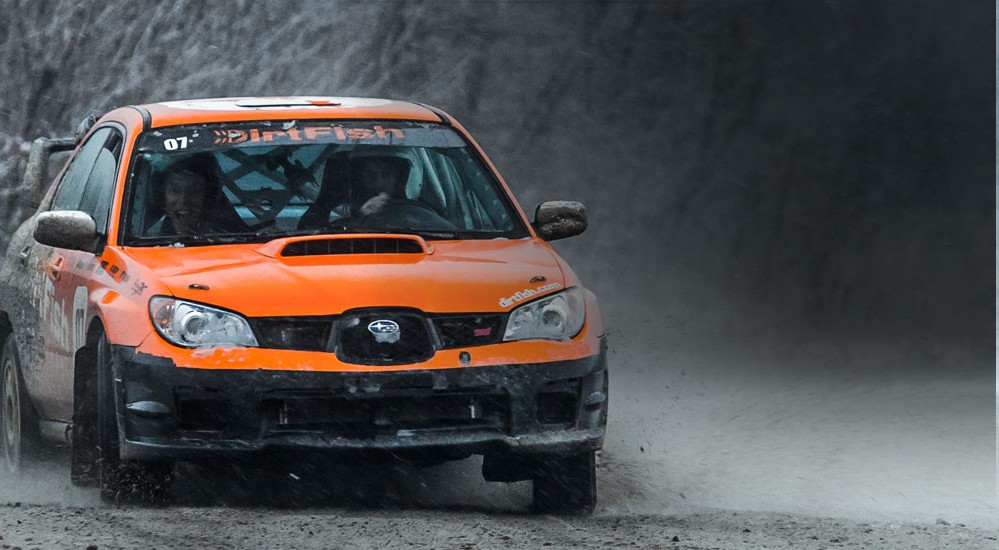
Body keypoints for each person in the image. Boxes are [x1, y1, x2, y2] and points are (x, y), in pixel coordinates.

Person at [146, 154, 244, 236]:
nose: (183, 201)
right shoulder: (146, 241)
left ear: (208, 196)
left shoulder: (233, 237)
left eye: (194, 191)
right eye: (175, 190)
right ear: (163, 194)